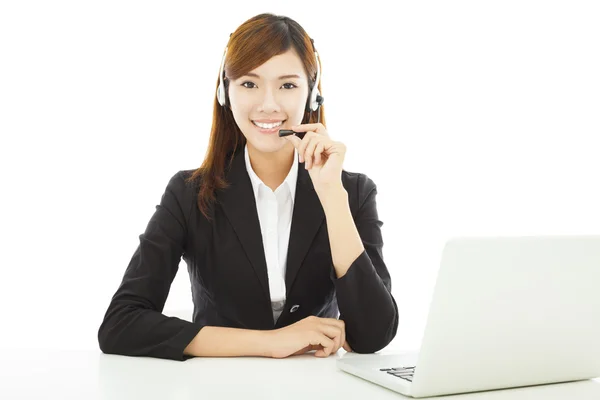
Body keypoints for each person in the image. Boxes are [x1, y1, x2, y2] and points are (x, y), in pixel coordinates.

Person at [98, 12, 399, 361]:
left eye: (287, 85)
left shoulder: (352, 192)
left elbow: (373, 334)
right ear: (225, 92)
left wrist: (332, 195)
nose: (268, 104)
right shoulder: (188, 193)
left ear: (313, 93)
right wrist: (271, 342)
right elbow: (121, 325)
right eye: (249, 83)